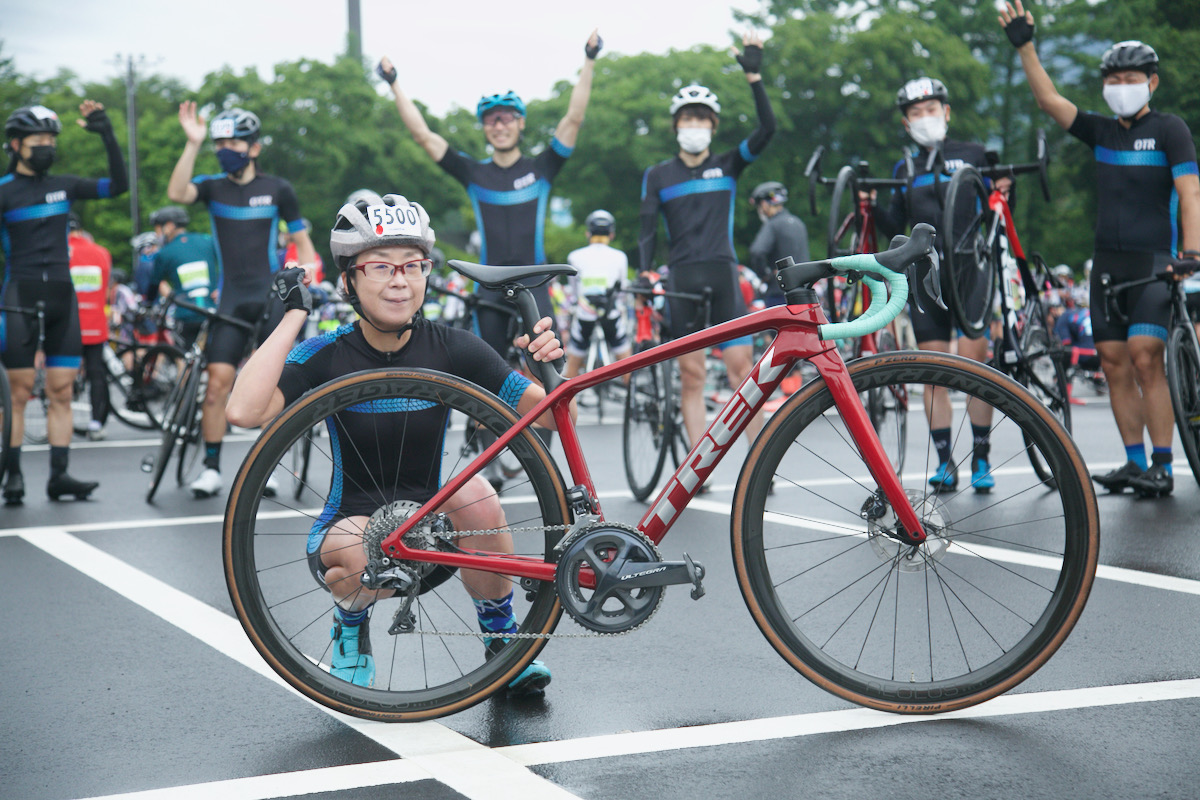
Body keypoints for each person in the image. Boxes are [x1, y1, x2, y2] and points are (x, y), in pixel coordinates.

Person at [225, 193, 566, 694]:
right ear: (350, 280)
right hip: (351, 533)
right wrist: (294, 317)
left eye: (413, 265)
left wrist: (550, 368)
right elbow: (243, 412)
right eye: (381, 266)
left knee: (477, 494)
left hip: (433, 538)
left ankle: (501, 640)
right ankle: (350, 629)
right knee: (359, 548)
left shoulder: (455, 347)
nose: (400, 280)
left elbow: (557, 417)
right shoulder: (327, 353)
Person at [1001, 2, 1200, 497]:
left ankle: (1162, 464)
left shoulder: (1170, 129)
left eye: (1130, 77)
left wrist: (1192, 253)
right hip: (1107, 266)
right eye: (1112, 79)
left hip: (1156, 263)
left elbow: (1190, 191)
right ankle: (1134, 463)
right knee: (1112, 363)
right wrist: (1026, 45)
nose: (1120, 86)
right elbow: (1049, 101)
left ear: (1151, 82)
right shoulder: (1102, 131)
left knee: (1145, 357)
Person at [376, 30, 601, 359]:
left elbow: (574, 118)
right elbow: (423, 135)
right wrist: (394, 83)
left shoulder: (542, 169)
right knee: (486, 381)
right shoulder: (473, 173)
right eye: (491, 120)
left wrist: (589, 59)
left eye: (507, 118)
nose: (499, 125)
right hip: (489, 287)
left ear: (520, 123)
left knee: (549, 374)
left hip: (534, 285)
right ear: (484, 128)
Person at [637, 33, 776, 462]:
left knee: (744, 374)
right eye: (686, 118)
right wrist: (643, 271)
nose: (693, 125)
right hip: (682, 278)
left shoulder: (728, 164)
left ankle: (759, 463)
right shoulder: (658, 175)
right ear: (676, 125)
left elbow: (768, 129)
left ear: (713, 126)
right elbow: (646, 230)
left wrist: (754, 76)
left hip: (723, 274)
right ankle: (696, 468)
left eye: (701, 119)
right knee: (692, 377)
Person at [167, 105, 317, 498]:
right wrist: (192, 143)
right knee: (216, 385)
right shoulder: (214, 187)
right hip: (231, 299)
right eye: (219, 143)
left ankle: (266, 466)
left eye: (232, 142)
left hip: (270, 298)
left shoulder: (278, 189)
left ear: (253, 147)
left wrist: (312, 275)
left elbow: (301, 240)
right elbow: (177, 193)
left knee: (269, 387)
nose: (224, 149)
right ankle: (211, 467)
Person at [871, 77, 1010, 493]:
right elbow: (896, 227)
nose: (925, 118)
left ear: (946, 112)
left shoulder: (974, 154)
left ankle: (981, 458)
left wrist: (1006, 189)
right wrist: (870, 208)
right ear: (906, 121)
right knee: (935, 371)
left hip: (970, 269)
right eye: (916, 113)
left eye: (932, 109)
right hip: (924, 274)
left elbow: (998, 211)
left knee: (975, 366)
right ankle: (945, 461)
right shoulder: (905, 168)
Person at [0, 101, 128, 504]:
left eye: (52, 139)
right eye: (38, 139)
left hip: (61, 298)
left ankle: (59, 476)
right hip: (18, 296)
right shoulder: (4, 192)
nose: (47, 146)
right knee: (18, 394)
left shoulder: (67, 185)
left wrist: (107, 134)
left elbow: (117, 186)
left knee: (61, 391)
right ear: (16, 144)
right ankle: (13, 476)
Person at [564, 209, 632, 378]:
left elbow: (574, 291)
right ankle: (631, 393)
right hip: (611, 312)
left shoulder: (574, 256)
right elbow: (622, 289)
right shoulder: (620, 257)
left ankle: (565, 401)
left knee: (572, 363)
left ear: (588, 233)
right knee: (626, 361)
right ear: (612, 234)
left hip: (585, 314)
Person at [149, 205, 219, 351]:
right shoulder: (207, 241)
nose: (157, 235)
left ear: (168, 226)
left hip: (186, 314)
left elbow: (153, 287)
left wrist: (148, 304)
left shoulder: (164, 253)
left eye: (157, 229)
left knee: (184, 359)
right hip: (214, 310)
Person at [67, 217, 113, 440]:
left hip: (68, 324)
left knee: (62, 374)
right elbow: (105, 292)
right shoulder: (101, 252)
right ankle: (97, 422)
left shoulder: (61, 252)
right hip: (95, 322)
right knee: (97, 374)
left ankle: (59, 421)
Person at [747, 181, 808, 306]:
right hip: (804, 291)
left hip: (779, 292)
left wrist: (765, 275)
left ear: (764, 204)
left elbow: (757, 251)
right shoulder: (799, 223)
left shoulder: (773, 224)